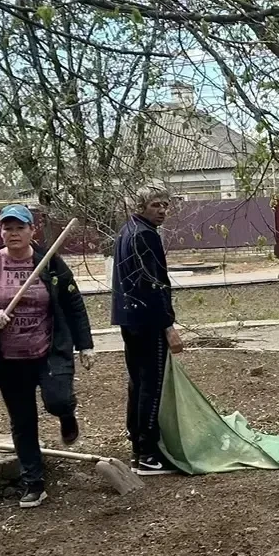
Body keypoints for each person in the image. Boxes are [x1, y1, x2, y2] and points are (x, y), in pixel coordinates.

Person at [0, 205, 95, 509]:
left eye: (20, 227)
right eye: (7, 228)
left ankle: (66, 416)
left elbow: (73, 303)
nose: (13, 233)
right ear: (0, 232)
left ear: (32, 230)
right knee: (22, 422)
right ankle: (33, 483)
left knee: (58, 400)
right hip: (8, 358)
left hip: (48, 350)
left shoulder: (50, 262)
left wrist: (85, 344)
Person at [112, 182, 185, 475]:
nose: (162, 210)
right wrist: (168, 326)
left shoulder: (127, 230)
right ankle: (148, 453)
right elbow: (154, 285)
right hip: (147, 321)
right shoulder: (144, 235)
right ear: (140, 206)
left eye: (165, 205)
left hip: (129, 319)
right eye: (156, 205)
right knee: (151, 385)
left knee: (138, 382)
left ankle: (137, 447)